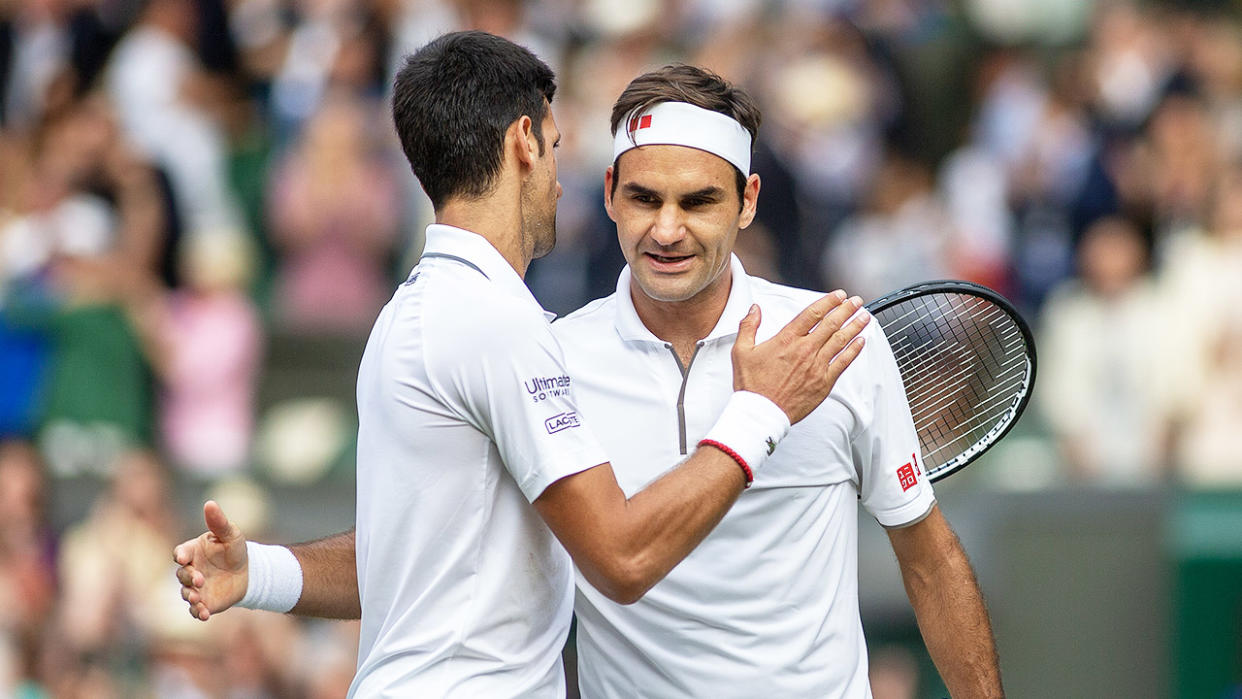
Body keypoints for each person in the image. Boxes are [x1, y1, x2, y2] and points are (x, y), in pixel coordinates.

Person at [176, 59, 1002, 697]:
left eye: (699, 202)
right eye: (643, 197)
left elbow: (930, 560)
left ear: (748, 202)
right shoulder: (546, 356)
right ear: (607, 193)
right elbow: (435, 552)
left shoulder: (833, 343)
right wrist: (267, 572)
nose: (666, 229)